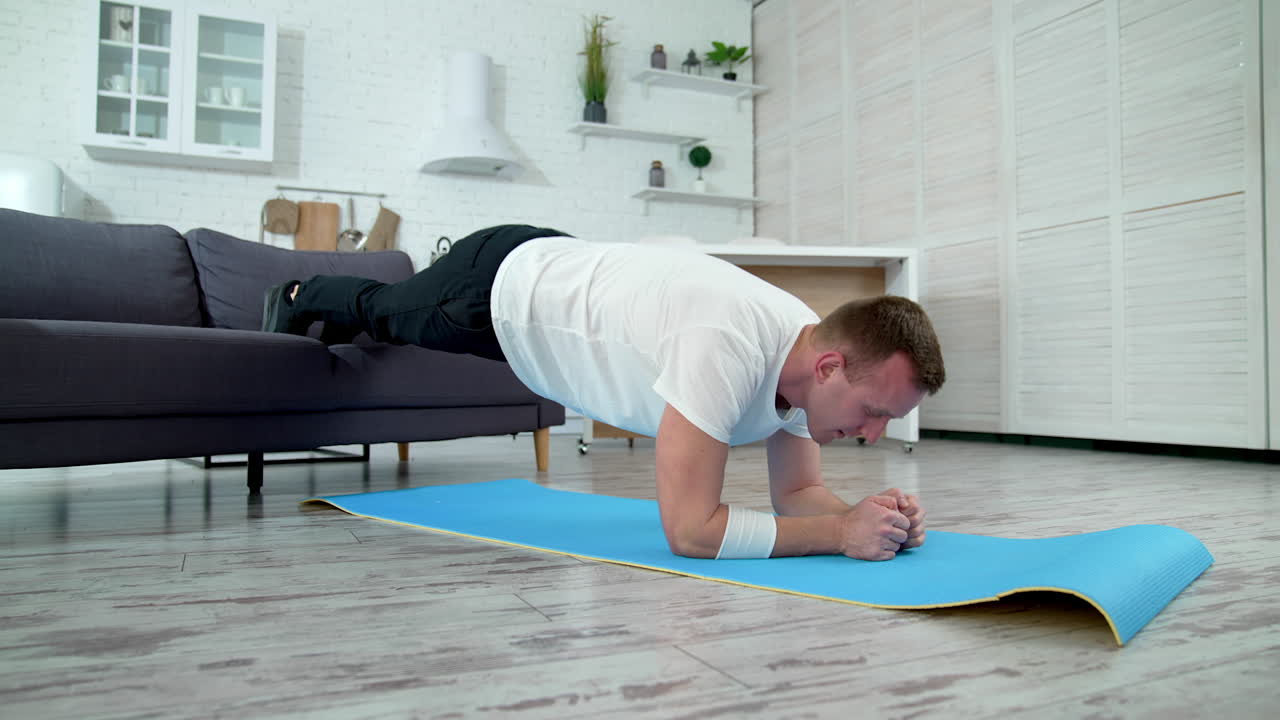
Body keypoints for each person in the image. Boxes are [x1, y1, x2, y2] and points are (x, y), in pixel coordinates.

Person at [262, 224, 946, 562]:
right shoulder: (726, 347)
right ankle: (297, 294)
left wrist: (867, 515)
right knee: (387, 315)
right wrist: (838, 534)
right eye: (875, 412)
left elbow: (796, 496)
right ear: (829, 367)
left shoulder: (805, 357)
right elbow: (690, 531)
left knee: (390, 322)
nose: (874, 434)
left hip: (560, 266)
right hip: (497, 287)